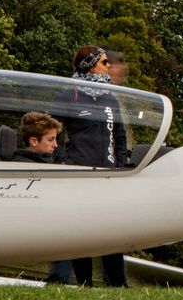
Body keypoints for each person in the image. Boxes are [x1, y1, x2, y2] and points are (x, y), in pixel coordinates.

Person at [51, 46, 129, 287]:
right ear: (89, 64)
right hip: (79, 177)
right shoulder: (67, 97)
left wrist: (121, 167)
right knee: (82, 233)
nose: (108, 66)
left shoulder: (109, 98)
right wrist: (65, 161)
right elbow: (48, 133)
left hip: (108, 178)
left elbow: (120, 135)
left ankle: (118, 287)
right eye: (104, 62)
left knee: (112, 234)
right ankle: (85, 285)